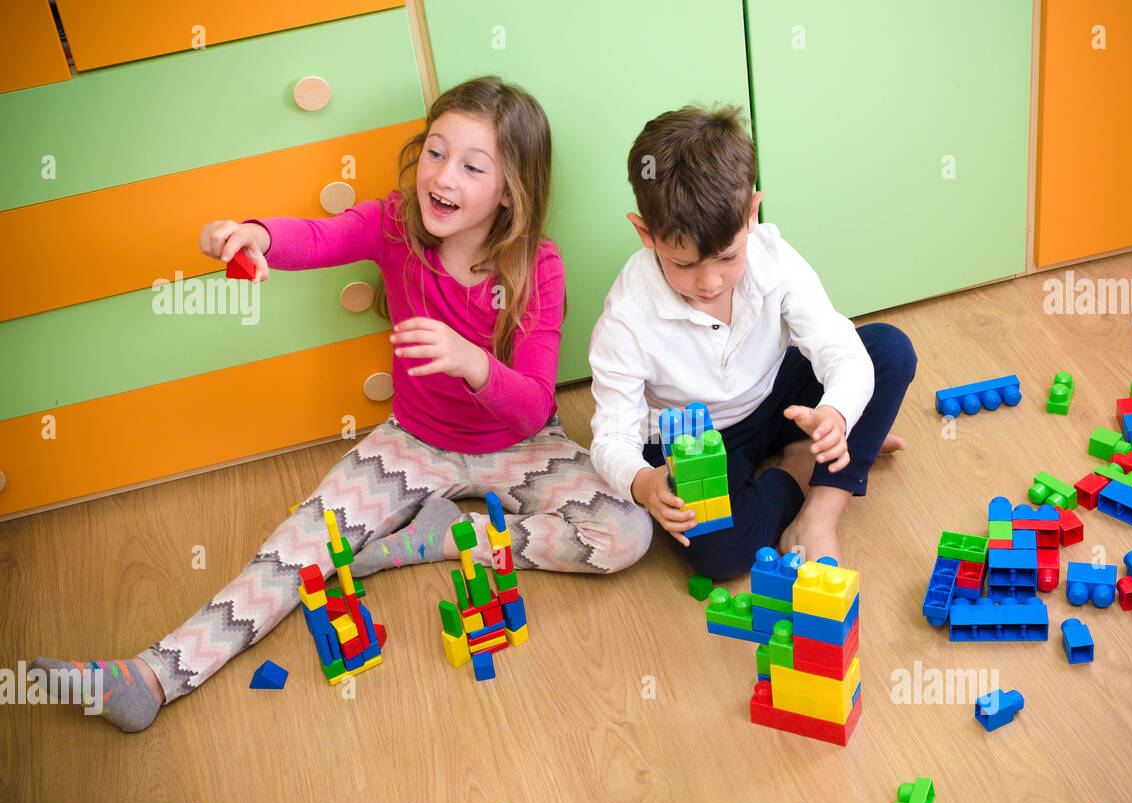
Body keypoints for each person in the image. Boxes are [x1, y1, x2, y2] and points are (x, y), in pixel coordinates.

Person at [32, 77, 651, 732]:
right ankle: (153, 676)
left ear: (509, 190)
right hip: (413, 442)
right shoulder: (393, 226)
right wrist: (255, 236)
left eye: (473, 167)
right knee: (296, 547)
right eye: (436, 152)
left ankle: (450, 537)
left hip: (521, 446)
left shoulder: (538, 266)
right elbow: (319, 238)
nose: (442, 175)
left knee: (627, 532)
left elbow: (529, 410)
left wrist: (474, 363)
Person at [589, 105, 916, 580]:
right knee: (721, 555)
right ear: (645, 233)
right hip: (695, 439)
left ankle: (819, 511)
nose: (709, 282)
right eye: (684, 264)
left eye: (727, 257)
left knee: (888, 350)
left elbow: (840, 350)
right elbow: (612, 436)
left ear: (751, 215)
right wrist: (642, 482)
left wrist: (836, 413)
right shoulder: (626, 318)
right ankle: (808, 462)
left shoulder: (773, 257)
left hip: (774, 395)